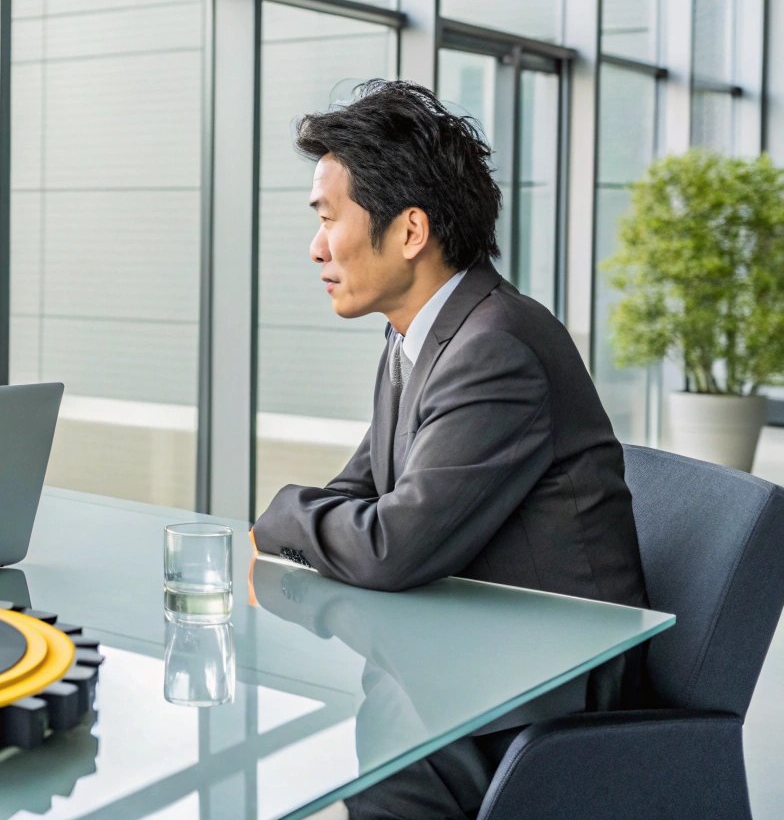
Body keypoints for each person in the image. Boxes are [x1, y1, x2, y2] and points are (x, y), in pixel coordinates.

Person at [251, 80, 648, 819]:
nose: (315, 247)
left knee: (366, 771)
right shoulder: (419, 332)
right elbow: (357, 492)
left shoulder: (495, 347)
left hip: (546, 689)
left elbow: (392, 545)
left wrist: (277, 516)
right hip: (479, 652)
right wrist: (317, 520)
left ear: (409, 232)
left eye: (329, 218)